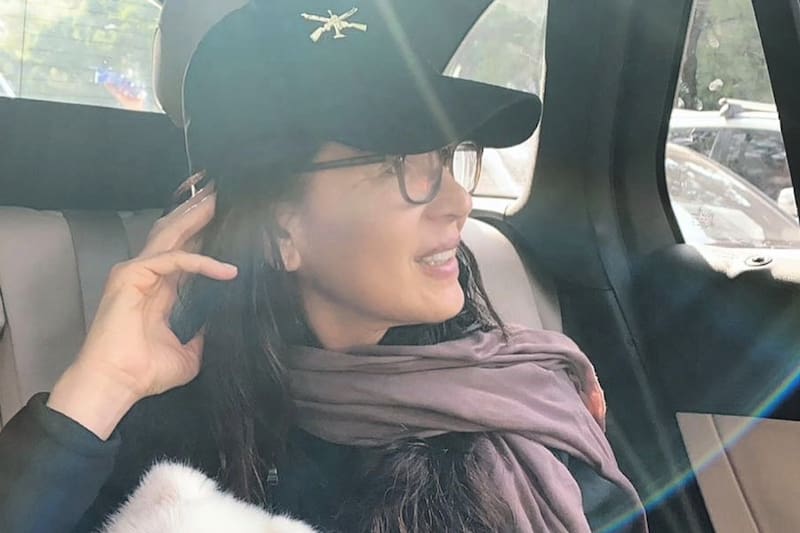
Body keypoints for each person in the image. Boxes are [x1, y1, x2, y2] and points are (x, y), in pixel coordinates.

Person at [0, 1, 648, 532]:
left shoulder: (523, 403)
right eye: (399, 165)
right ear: (280, 228)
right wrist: (98, 389)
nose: (458, 201)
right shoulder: (167, 424)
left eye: (448, 157)